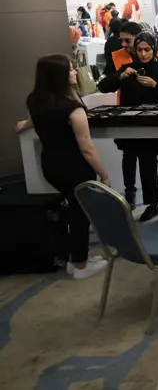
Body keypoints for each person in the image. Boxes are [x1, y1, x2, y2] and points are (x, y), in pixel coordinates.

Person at [16, 55, 111, 279]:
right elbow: (87, 148)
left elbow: (36, 118)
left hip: (51, 165)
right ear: (59, 76)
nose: (75, 72)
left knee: (72, 211)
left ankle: (74, 258)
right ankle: (80, 265)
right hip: (75, 168)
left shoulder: (35, 100)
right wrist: (104, 174)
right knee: (80, 214)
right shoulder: (72, 109)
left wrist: (24, 124)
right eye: (70, 70)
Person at [98, 32, 158, 221]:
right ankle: (152, 203)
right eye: (139, 50)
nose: (143, 54)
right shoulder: (129, 68)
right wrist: (121, 76)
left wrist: (156, 85)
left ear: (154, 49)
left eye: (147, 50)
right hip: (139, 127)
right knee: (146, 165)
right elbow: (104, 86)